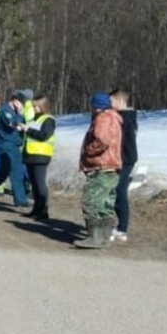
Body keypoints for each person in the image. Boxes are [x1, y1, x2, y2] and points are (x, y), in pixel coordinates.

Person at [74, 92, 123, 248]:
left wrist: (89, 150)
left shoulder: (102, 118)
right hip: (112, 166)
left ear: (96, 106)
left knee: (91, 202)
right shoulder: (114, 118)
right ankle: (105, 236)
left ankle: (94, 237)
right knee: (106, 203)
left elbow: (102, 140)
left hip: (100, 166)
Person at [109, 89, 138, 242]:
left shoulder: (124, 118)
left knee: (119, 190)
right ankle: (118, 226)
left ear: (119, 101)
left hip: (126, 159)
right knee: (115, 190)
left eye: (111, 101)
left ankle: (122, 228)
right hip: (119, 158)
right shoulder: (121, 117)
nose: (109, 105)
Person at [23, 95, 56, 220]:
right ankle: (36, 209)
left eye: (35, 106)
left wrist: (27, 129)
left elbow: (43, 136)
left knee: (39, 183)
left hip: (41, 156)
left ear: (42, 105)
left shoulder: (49, 120)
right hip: (31, 154)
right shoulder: (35, 119)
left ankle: (43, 210)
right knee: (34, 184)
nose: (33, 108)